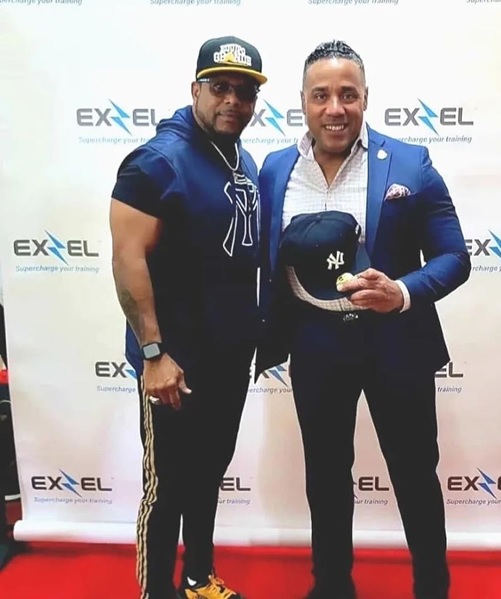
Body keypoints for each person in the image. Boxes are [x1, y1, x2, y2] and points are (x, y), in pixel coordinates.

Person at [257, 40, 471, 599]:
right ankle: (331, 586)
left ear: (366, 98)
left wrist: (401, 292)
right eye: (321, 95)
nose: (335, 108)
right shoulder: (276, 169)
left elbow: (454, 257)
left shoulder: (410, 163)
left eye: (347, 95)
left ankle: (432, 587)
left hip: (396, 343)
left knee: (414, 473)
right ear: (302, 102)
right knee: (326, 476)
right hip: (314, 346)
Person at [109, 36, 266, 599]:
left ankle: (199, 579)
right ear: (195, 89)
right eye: (220, 87)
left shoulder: (240, 158)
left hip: (229, 354)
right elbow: (127, 260)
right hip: (174, 363)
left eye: (244, 92)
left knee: (207, 475)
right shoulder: (157, 161)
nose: (232, 101)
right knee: (168, 487)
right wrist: (154, 353)